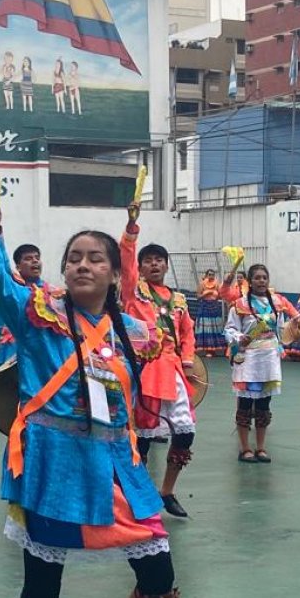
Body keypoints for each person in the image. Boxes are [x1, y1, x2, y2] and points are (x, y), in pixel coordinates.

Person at [0, 185, 178, 598]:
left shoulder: (137, 332)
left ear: (115, 272)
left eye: (95, 258)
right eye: (74, 257)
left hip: (118, 465)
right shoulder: (37, 314)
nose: (83, 265)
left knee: (159, 577)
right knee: (42, 590)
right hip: (51, 462)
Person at [121, 201, 199, 518]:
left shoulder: (178, 298)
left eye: (159, 261)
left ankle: (166, 491)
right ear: (140, 267)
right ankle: (135, 494)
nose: (154, 265)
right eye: (148, 261)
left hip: (174, 371)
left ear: (166, 265)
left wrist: (190, 360)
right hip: (144, 370)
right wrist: (131, 229)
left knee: (185, 432)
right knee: (142, 437)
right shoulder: (132, 291)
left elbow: (188, 331)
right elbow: (124, 260)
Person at [225, 264, 300, 463]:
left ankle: (260, 447)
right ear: (250, 281)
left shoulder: (276, 303)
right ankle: (245, 448)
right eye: (257, 278)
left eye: (264, 277)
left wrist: (294, 332)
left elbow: (282, 329)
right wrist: (240, 338)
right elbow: (230, 329)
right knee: (245, 404)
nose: (261, 281)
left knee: (264, 405)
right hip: (248, 359)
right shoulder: (240, 304)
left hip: (269, 359)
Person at [0, 243, 48, 365]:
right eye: (28, 258)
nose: (35, 261)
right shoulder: (14, 287)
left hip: (44, 348)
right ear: (18, 266)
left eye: (37, 258)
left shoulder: (53, 292)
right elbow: (1, 267)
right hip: (15, 344)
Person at [194, 269, 224, 357]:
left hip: (214, 307)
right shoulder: (202, 284)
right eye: (209, 274)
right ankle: (207, 350)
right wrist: (205, 294)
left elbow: (220, 296)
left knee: (215, 327)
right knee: (206, 327)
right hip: (204, 307)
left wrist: (215, 294)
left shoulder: (217, 284)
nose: (211, 276)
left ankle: (214, 349)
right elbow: (198, 296)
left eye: (213, 275)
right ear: (206, 275)